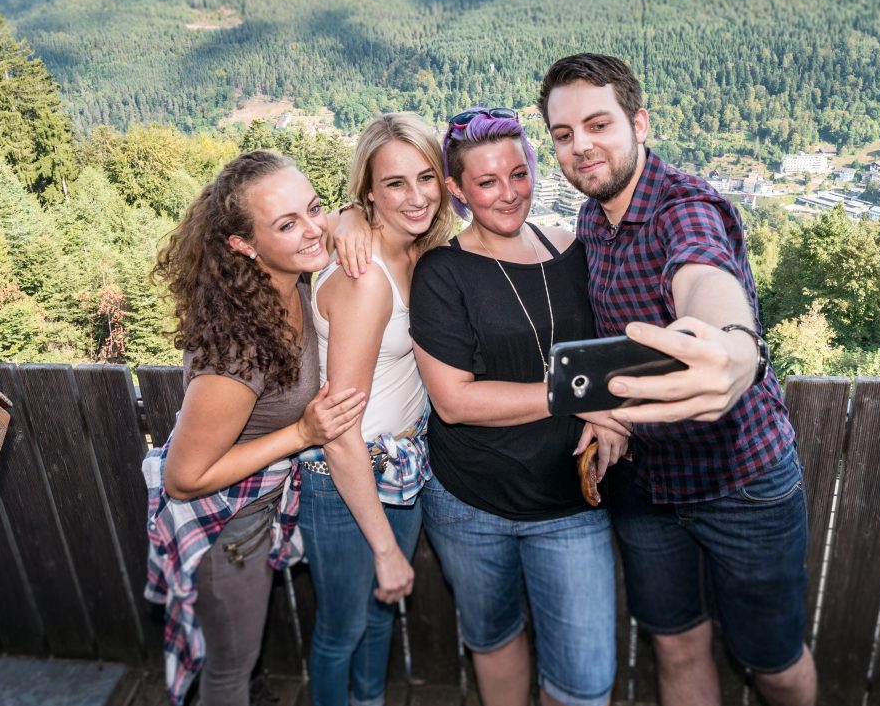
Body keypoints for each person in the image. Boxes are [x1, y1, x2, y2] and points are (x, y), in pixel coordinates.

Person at [537, 53, 816, 706]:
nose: (581, 146)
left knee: (773, 664)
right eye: (563, 134)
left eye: (598, 124)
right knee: (677, 645)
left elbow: (704, 275)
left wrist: (734, 345)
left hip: (740, 481)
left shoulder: (684, 206)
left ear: (640, 124)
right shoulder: (592, 219)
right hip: (646, 485)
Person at [339, 109, 627, 706]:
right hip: (469, 504)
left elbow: (614, 343)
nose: (508, 193)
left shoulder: (575, 249)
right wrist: (580, 396)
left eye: (518, 174)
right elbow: (454, 401)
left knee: (585, 681)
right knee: (494, 640)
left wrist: (610, 408)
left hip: (569, 501)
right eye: (487, 181)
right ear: (459, 189)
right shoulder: (441, 271)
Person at [143, 150, 369, 706]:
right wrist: (302, 435)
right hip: (227, 527)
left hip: (256, 517)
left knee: (246, 665)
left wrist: (351, 216)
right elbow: (184, 478)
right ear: (243, 245)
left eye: (314, 208)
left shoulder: (292, 280)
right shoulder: (239, 348)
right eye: (286, 224)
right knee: (229, 672)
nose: (312, 229)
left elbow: (335, 226)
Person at [301, 113, 452, 706]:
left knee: (380, 616)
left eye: (426, 177)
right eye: (394, 183)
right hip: (347, 475)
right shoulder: (366, 278)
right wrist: (386, 550)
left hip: (401, 464)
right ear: (368, 190)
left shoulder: (419, 255)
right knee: (342, 631)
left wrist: (350, 216)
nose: (416, 197)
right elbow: (339, 430)